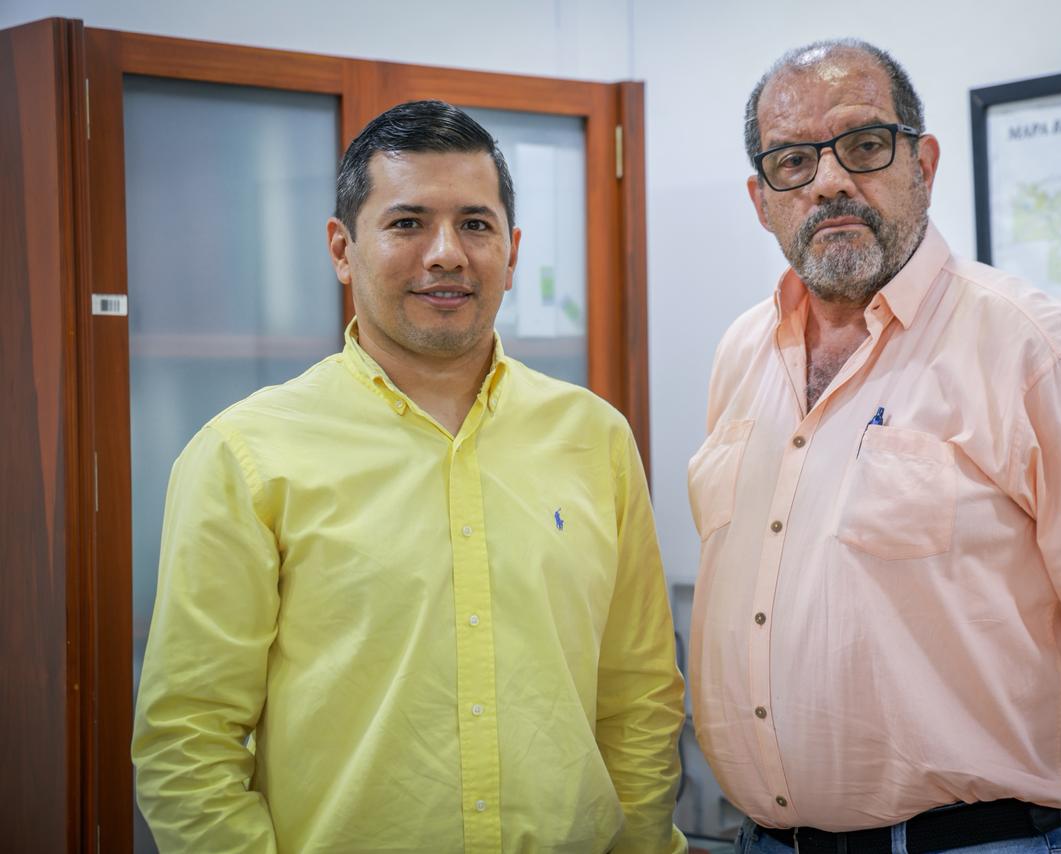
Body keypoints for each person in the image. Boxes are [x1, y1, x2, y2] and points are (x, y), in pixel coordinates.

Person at [688, 39, 1061, 853]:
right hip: (764, 840)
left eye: (864, 144)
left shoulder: (1027, 344)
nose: (829, 180)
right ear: (762, 200)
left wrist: (1049, 832)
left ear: (924, 163)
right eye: (793, 161)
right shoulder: (741, 351)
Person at [134, 99, 686, 854]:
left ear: (512, 252)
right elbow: (188, 737)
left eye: (476, 224)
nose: (447, 253)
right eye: (407, 223)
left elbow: (639, 697)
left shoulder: (594, 438)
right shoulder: (246, 455)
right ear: (342, 248)